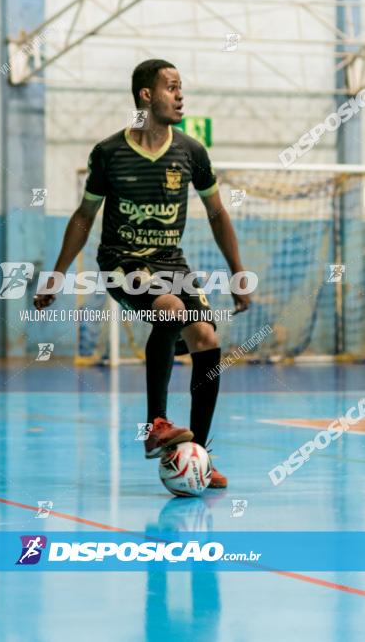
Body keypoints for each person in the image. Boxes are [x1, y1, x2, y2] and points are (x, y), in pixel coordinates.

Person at [34, 59, 251, 488]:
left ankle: (200, 458)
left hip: (172, 262)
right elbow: (83, 217)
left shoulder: (191, 151)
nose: (180, 94)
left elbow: (217, 213)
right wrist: (58, 274)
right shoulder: (109, 153)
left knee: (207, 338)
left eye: (181, 87)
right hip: (120, 261)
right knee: (169, 309)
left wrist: (238, 272)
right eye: (171, 87)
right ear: (145, 96)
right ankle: (156, 423)